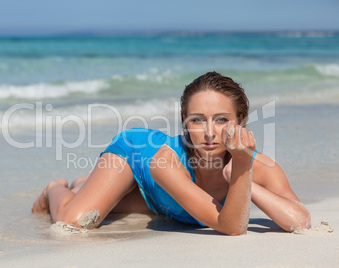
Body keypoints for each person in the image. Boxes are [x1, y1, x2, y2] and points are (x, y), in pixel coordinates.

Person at [32, 71, 311, 235]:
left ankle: (84, 183)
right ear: (184, 120)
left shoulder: (259, 165)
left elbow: (300, 221)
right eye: (198, 119)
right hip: (136, 157)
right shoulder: (165, 162)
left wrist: (242, 173)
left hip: (159, 200)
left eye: (222, 119)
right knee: (76, 222)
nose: (210, 132)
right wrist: (240, 171)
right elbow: (231, 227)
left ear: (241, 120)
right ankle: (54, 188)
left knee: (109, 205)